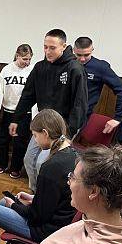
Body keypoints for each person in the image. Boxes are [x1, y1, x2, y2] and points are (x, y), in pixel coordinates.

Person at [0, 109, 77, 244]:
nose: (35, 140)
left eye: (35, 136)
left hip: (45, 231)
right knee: (3, 203)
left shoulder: (51, 167)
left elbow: (36, 216)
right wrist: (34, 198)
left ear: (45, 133)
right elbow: (55, 198)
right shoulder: (72, 155)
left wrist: (15, 206)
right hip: (60, 223)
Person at [9, 29, 88, 192]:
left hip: (63, 128)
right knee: (29, 159)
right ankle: (35, 193)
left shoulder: (75, 69)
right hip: (42, 124)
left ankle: (44, 197)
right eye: (45, 47)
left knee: (42, 163)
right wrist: (16, 118)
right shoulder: (40, 67)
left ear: (63, 46)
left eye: (52, 47)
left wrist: (69, 133)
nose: (47, 51)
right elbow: (28, 95)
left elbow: (79, 105)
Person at [0, 44, 33, 178]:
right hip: (8, 110)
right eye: (24, 59)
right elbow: (0, 91)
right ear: (17, 56)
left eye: (29, 59)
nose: (27, 62)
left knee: (20, 142)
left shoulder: (32, 71)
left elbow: (34, 95)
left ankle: (15, 167)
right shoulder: (6, 70)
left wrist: (35, 115)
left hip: (24, 113)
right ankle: (2, 164)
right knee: (3, 139)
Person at [74, 36, 122, 134]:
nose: (82, 59)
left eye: (86, 55)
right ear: (74, 50)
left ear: (92, 50)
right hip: (60, 113)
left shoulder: (100, 67)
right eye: (79, 55)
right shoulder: (69, 63)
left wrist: (118, 118)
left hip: (80, 118)